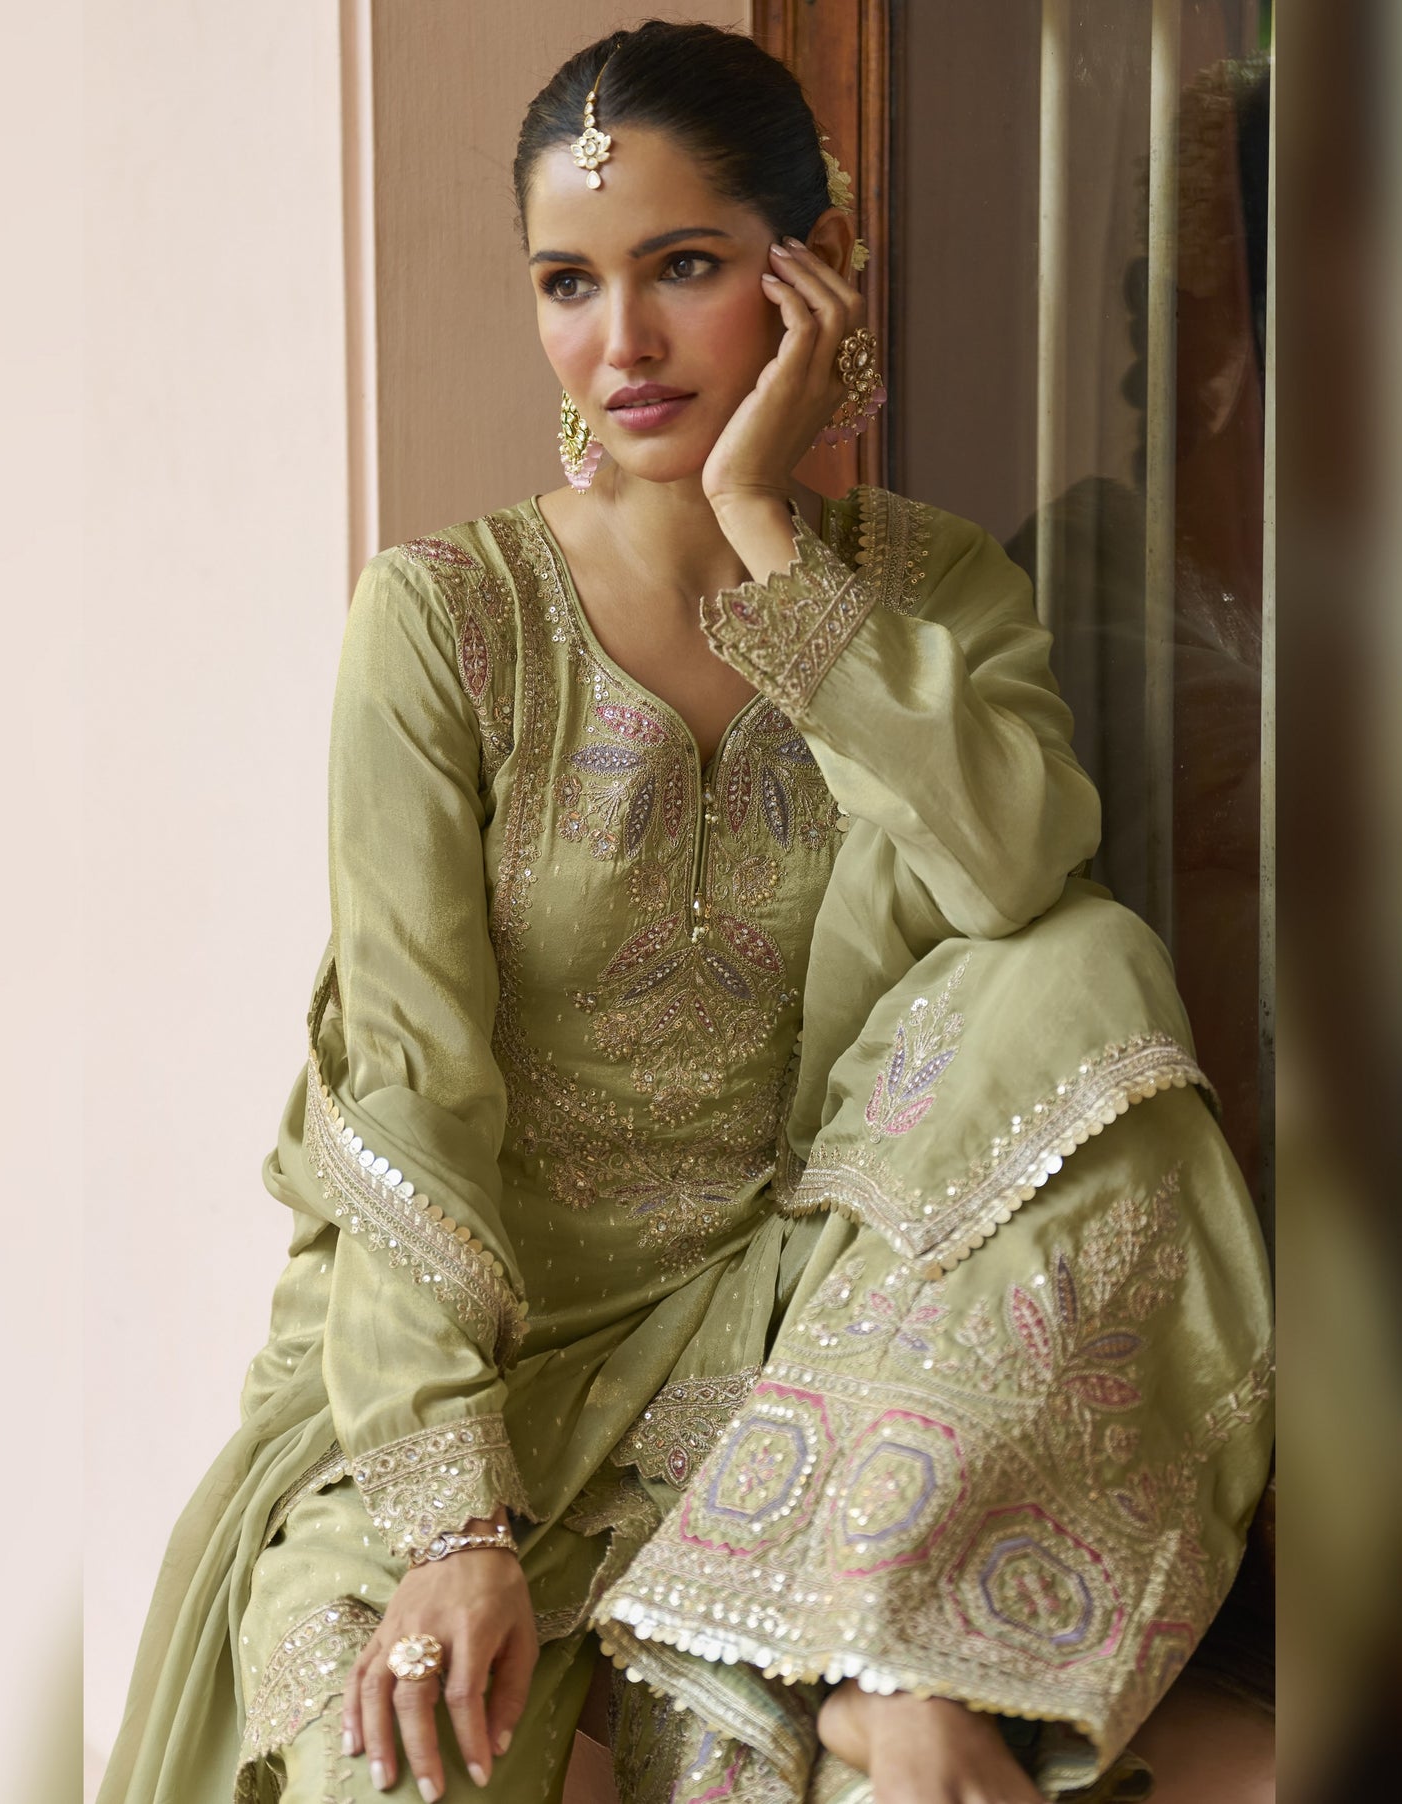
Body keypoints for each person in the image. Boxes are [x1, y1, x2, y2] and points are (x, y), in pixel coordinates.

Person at [98, 20, 1273, 1804]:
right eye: (568, 282)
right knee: (412, 1761)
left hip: (796, 1341)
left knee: (1081, 962)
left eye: (688, 269)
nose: (620, 344)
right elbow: (408, 1083)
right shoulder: (442, 623)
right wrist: (452, 1517)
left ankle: (887, 1643)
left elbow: (1009, 872)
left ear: (818, 272)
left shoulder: (927, 589)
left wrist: (766, 542)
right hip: (473, 1365)